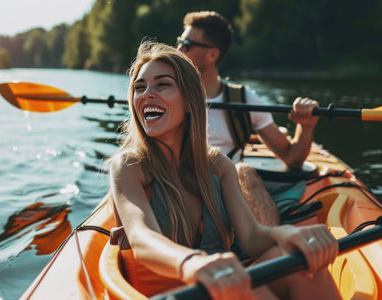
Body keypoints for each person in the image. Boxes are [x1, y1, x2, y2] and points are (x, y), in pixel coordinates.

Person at [108, 41, 339, 299]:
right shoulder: (129, 166)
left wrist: (286, 233)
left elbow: (251, 236)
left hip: (219, 287)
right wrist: (192, 263)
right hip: (167, 295)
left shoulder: (218, 166)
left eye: (162, 84)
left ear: (189, 101)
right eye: (140, 87)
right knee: (244, 289)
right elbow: (141, 237)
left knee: (300, 263)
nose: (147, 93)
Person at [177, 11, 320, 226]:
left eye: (186, 44)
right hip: (181, 185)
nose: (178, 50)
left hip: (228, 187)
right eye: (179, 41)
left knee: (243, 171)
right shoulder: (166, 95)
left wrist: (306, 127)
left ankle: (273, 248)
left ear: (212, 54)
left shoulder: (244, 99)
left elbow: (292, 158)